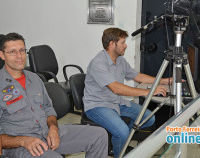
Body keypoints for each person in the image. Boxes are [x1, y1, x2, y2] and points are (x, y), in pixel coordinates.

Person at [0, 33, 108, 158]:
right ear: (2, 55)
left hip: (46, 133)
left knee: (99, 135)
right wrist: (23, 141)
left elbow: (48, 109)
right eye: (12, 52)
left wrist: (53, 128)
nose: (19, 56)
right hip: (20, 146)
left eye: (22, 51)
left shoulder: (35, 79)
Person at [83, 27, 172, 158]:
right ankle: (120, 152)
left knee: (149, 118)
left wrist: (164, 81)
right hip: (98, 106)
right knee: (122, 131)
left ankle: (120, 142)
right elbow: (116, 88)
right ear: (112, 44)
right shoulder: (98, 63)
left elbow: (137, 76)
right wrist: (146, 92)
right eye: (123, 42)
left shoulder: (120, 60)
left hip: (115, 102)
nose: (126, 46)